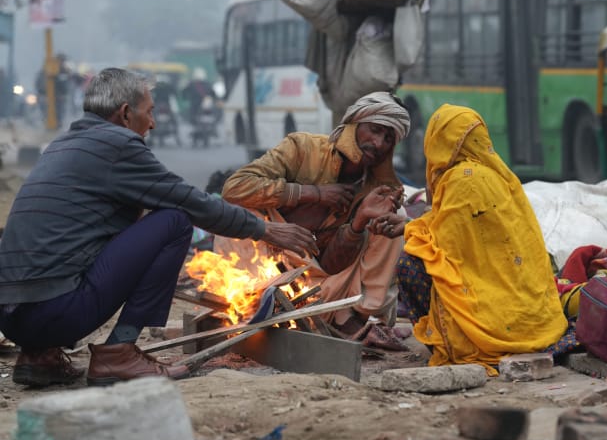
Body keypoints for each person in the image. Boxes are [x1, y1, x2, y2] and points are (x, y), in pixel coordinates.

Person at [0, 67, 317, 387]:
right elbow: (189, 202)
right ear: (126, 113)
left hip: (11, 319)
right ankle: (119, 352)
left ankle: (38, 356)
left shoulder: (62, 145)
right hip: (57, 313)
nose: (152, 123)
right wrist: (263, 229)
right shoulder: (118, 144)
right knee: (175, 221)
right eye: (149, 112)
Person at [371, 104, 568, 374]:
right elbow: (451, 227)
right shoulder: (500, 176)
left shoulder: (462, 181)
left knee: (410, 262)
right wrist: (409, 225)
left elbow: (444, 245)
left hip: (490, 323)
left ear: (439, 142)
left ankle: (453, 345)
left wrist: (408, 230)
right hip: (528, 315)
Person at [216, 91, 411, 347]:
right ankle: (260, 303)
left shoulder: (373, 189)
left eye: (388, 138)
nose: (378, 143)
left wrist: (358, 223)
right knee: (238, 211)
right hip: (264, 263)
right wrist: (313, 194)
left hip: (316, 281)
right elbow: (234, 188)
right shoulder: (302, 147)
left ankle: (356, 317)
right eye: (374, 130)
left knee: (395, 216)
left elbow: (330, 265)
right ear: (354, 123)